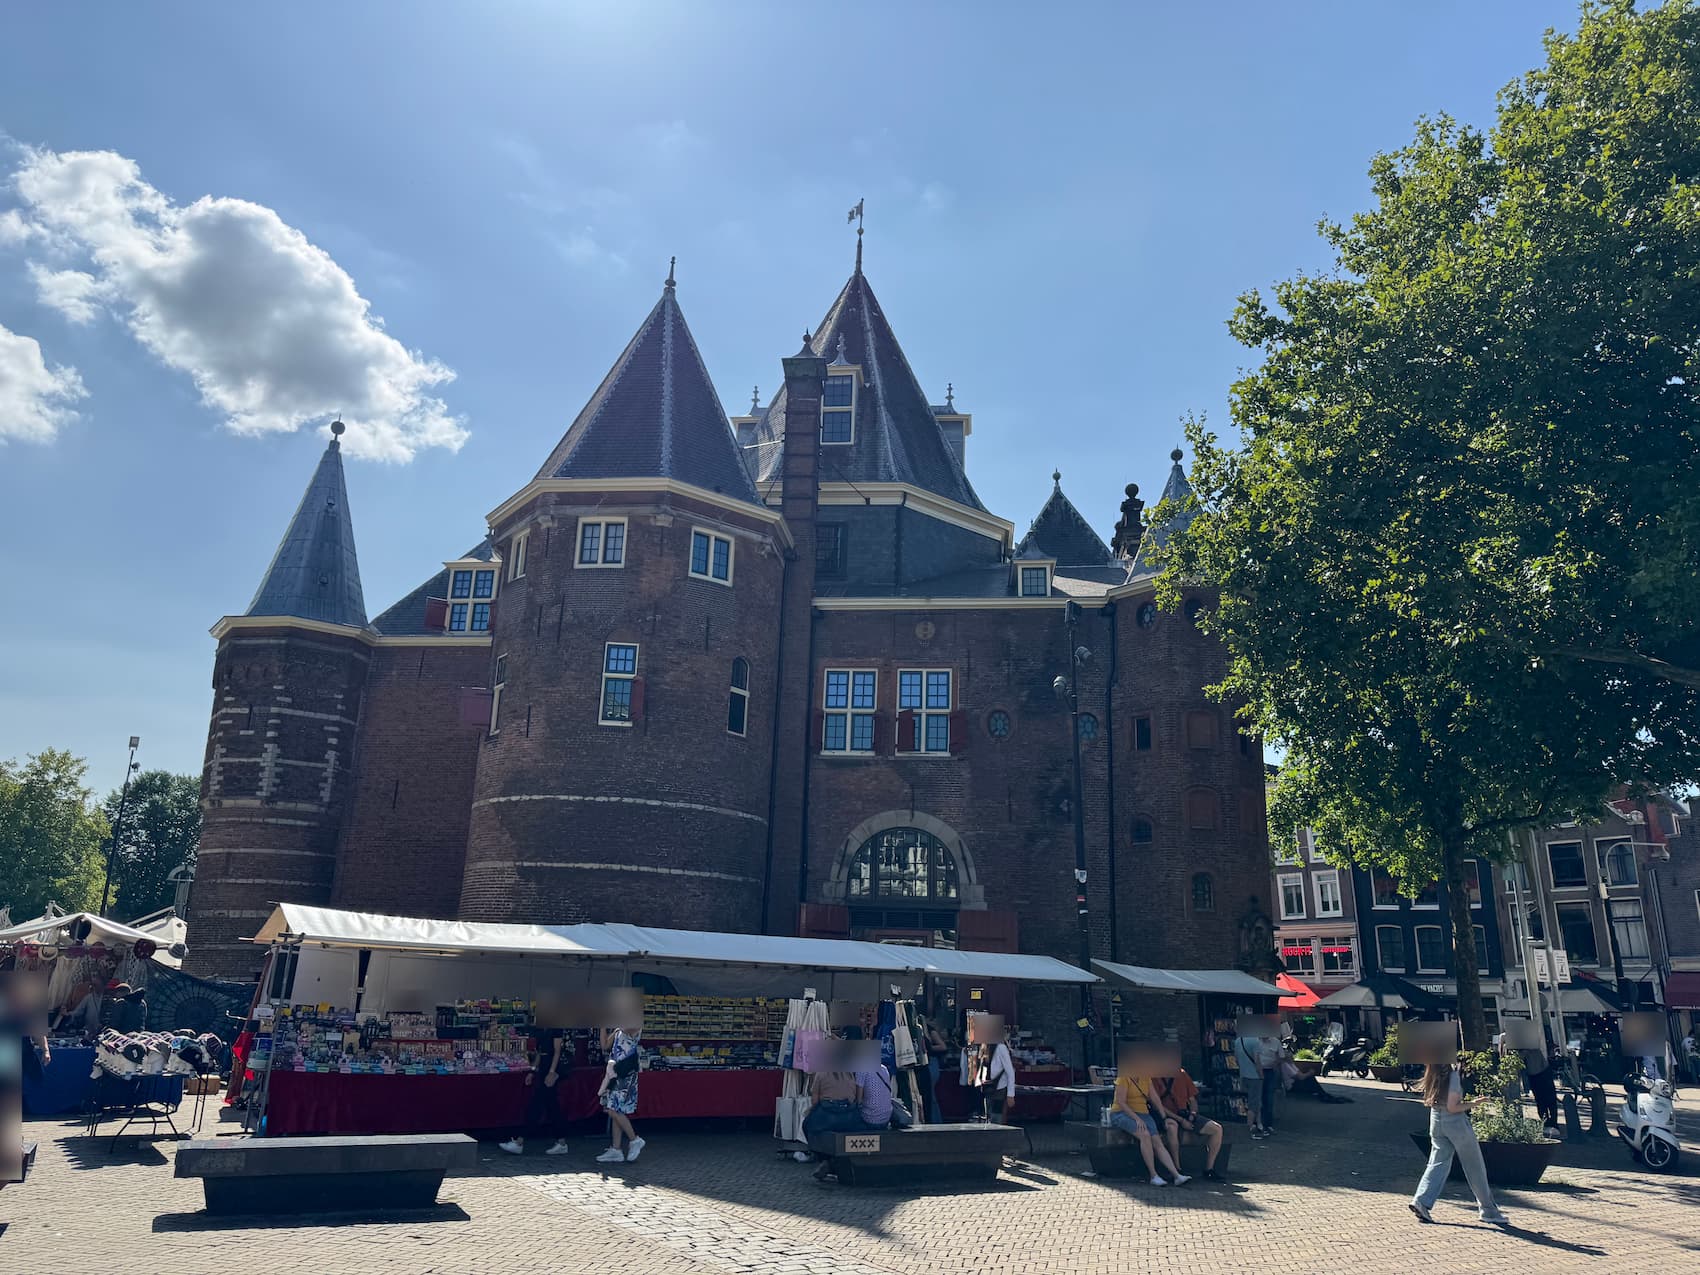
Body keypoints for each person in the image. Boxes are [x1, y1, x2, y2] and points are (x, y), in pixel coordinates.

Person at [1410, 1062, 1509, 1227]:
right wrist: (1475, 1103)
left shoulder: (1432, 1071)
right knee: (1474, 1166)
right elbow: (1453, 1107)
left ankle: (1421, 1200)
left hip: (1436, 1119)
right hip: (1455, 1123)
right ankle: (1488, 1210)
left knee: (1437, 1162)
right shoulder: (1453, 1074)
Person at [1111, 1068, 1189, 1186]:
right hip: (1122, 1113)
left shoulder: (1146, 1077)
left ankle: (1176, 1175)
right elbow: (1121, 1102)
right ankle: (1153, 1175)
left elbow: (1155, 1098)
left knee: (1157, 1141)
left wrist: (1163, 1118)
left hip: (1143, 1113)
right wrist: (1137, 1119)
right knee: (1145, 1134)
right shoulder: (1124, 1078)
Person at [500, 1027, 570, 1157]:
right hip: (542, 1068)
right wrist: (532, 1071)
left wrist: (552, 1072)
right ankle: (561, 1142)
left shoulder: (556, 1029)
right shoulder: (540, 1030)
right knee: (551, 1106)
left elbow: (557, 1052)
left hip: (551, 1068)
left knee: (537, 1105)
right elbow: (539, 1052)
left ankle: (520, 1141)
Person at [1156, 1065, 1224, 1181]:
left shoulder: (1182, 1074)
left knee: (1217, 1129)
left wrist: (1192, 1115)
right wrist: (1181, 1120)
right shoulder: (1155, 1078)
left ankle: (1209, 1169)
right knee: (1172, 1128)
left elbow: (1192, 1100)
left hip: (1185, 1114)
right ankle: (1177, 1168)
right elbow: (1158, 1105)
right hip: (1168, 1115)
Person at [803, 1064, 866, 1182]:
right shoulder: (849, 1073)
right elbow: (853, 1097)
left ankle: (823, 1159)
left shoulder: (821, 1072)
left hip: (827, 1116)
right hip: (848, 1117)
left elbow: (815, 1100)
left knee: (807, 1125)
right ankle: (835, 1162)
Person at [596, 1024, 644, 1163]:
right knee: (615, 1109)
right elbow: (605, 1045)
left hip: (625, 1073)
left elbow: (629, 1029)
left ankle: (634, 1139)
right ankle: (616, 1149)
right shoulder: (618, 1029)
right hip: (615, 1072)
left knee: (613, 1110)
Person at [976, 1031, 1016, 1124]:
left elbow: (1010, 1072)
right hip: (987, 1087)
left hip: (999, 1088)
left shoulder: (1001, 1047)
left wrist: (1010, 1094)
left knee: (996, 1117)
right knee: (988, 1116)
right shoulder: (984, 1046)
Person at [1254, 1031, 1283, 1137]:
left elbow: (1281, 1056)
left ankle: (1268, 1124)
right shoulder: (1256, 1041)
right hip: (1257, 1071)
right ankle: (1258, 1123)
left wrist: (1276, 1063)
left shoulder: (1276, 1042)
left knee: (1269, 1098)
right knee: (1258, 1098)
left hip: (1270, 1071)